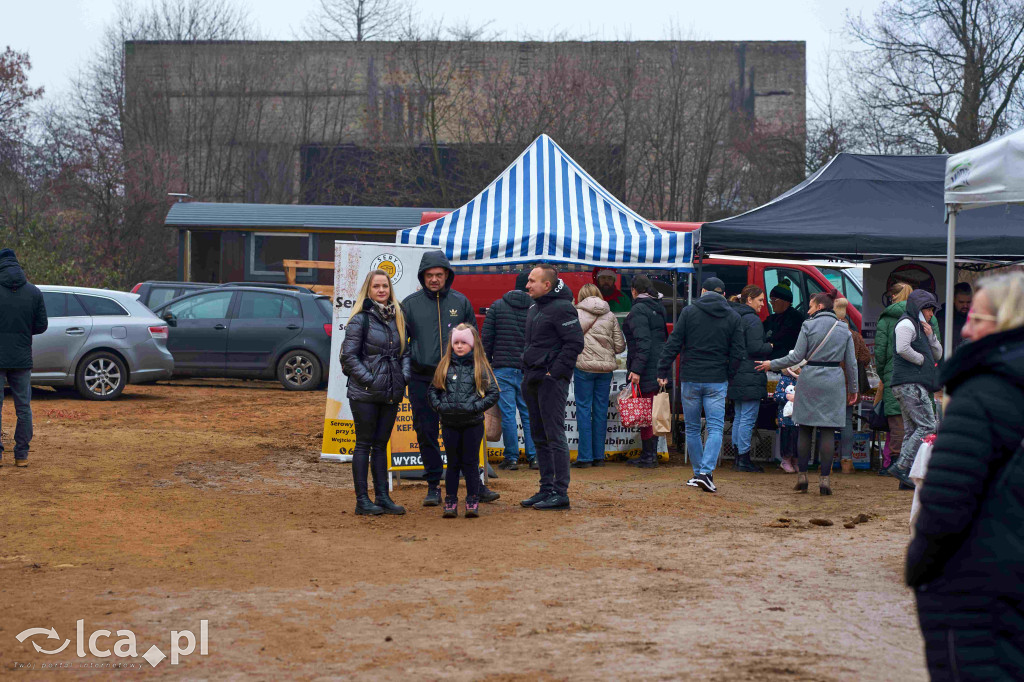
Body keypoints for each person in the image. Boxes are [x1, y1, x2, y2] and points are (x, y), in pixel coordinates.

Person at [906, 272, 1024, 681]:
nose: (968, 326)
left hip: (979, 583)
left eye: (978, 317)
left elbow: (946, 498)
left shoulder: (982, 390)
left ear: (1008, 321)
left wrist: (919, 567)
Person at [402, 250, 499, 506]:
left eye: (439, 274)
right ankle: (434, 486)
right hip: (423, 378)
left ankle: (476, 485)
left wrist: (478, 373)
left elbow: (474, 341)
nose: (434, 279)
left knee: (466, 432)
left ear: (447, 275)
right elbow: (401, 344)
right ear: (423, 277)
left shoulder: (461, 301)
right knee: (426, 432)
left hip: (460, 378)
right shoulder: (409, 304)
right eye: (430, 275)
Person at [757, 290, 857, 496]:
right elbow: (851, 363)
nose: (808, 311)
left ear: (820, 306)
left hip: (810, 377)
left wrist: (771, 363)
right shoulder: (843, 329)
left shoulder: (808, 326)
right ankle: (825, 480)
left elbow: (796, 357)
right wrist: (853, 388)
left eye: (810, 306)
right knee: (828, 430)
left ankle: (802, 478)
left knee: (804, 428)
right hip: (834, 379)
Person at [657, 277, 745, 493]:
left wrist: (662, 370)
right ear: (723, 294)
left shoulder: (689, 312)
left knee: (693, 428)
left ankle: (700, 473)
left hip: (691, 377)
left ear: (703, 291)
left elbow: (674, 342)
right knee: (715, 427)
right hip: (717, 378)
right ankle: (705, 473)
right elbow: (738, 352)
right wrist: (729, 375)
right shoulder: (733, 316)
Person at [340, 269, 410, 516]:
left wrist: (404, 376)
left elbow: (405, 353)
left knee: (381, 446)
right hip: (365, 393)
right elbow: (347, 356)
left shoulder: (397, 318)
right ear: (368, 291)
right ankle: (362, 500)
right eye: (376, 286)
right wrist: (370, 380)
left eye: (385, 286)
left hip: (390, 391)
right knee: (364, 445)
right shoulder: (361, 319)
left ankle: (382, 497)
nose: (382, 290)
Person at [519, 265, 585, 511]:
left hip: (551, 382)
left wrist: (553, 374)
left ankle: (560, 492)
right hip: (532, 379)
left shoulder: (563, 307)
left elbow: (575, 343)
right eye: (528, 280)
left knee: (554, 436)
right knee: (539, 436)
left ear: (547, 284)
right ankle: (546, 489)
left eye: (532, 281)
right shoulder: (535, 307)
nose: (527, 285)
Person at [429, 324, 500, 519]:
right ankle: (450, 500)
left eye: (463, 343)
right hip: (449, 424)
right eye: (456, 343)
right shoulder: (444, 366)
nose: (459, 346)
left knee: (470, 463)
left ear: (472, 344)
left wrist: (476, 407)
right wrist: (440, 407)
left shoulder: (481, 367)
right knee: (452, 464)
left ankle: (472, 499)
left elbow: (493, 393)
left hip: (473, 423)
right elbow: (433, 391)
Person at [874, 282, 939, 475]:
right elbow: (902, 348)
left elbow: (938, 354)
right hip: (910, 383)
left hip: (909, 383)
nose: (932, 314)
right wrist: (921, 360)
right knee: (927, 425)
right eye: (929, 309)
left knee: (911, 429)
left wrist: (931, 338)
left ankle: (905, 473)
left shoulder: (921, 326)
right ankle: (901, 466)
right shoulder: (906, 323)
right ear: (920, 308)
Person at [482, 271, 537, 471]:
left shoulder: (497, 306)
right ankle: (534, 457)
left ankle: (511, 458)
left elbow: (486, 339)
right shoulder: (535, 308)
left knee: (507, 414)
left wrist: (486, 363)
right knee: (528, 414)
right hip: (526, 370)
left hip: (502, 368)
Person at [0, 249, 47, 468]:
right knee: (23, 408)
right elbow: (42, 325)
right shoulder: (34, 292)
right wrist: (23, 331)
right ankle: (21, 455)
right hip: (21, 357)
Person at [572, 283, 626, 468]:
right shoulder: (610, 315)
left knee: (584, 410)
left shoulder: (576, 314)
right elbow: (620, 346)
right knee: (601, 411)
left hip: (583, 368)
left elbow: (570, 341)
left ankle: (585, 458)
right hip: (605, 370)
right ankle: (599, 457)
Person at [622, 275, 669, 469]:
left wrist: (636, 369)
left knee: (647, 413)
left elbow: (643, 343)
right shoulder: (658, 307)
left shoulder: (639, 310)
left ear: (634, 291)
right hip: (658, 364)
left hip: (646, 366)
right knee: (651, 412)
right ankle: (650, 454)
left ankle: (648, 456)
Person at [728, 285, 774, 473]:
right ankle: (744, 459)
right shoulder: (753, 320)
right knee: (747, 418)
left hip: (737, 372)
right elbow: (755, 348)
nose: (763, 304)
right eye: (760, 300)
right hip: (751, 372)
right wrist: (769, 346)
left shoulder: (734, 316)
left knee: (739, 417)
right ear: (749, 300)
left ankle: (738, 457)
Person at [834, 297, 871, 474]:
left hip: (829, 383)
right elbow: (866, 358)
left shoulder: (829, 335)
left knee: (825, 423)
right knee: (847, 422)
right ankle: (846, 461)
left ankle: (824, 462)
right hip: (848, 384)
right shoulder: (855, 336)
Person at [763, 283, 806, 360]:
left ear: (785, 301)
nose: (771, 303)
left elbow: (782, 339)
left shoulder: (795, 318)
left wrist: (770, 343)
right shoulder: (773, 317)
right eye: (771, 300)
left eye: (774, 300)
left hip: (786, 361)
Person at [772, 368, 800, 472]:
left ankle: (796, 461)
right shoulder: (784, 379)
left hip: (800, 418)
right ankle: (786, 461)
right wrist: (787, 396)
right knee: (787, 440)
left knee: (799, 439)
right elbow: (776, 395)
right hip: (786, 418)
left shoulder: (804, 380)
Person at [935, 281, 972, 352]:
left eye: (968, 302)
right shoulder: (943, 317)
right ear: (953, 300)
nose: (965, 305)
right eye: (961, 302)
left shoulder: (974, 316)